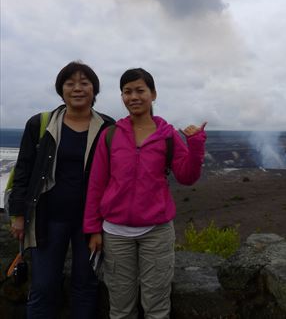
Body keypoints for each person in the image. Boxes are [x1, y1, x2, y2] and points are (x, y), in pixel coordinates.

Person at [83, 68, 206, 319]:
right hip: (115, 233)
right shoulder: (111, 135)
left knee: (157, 306)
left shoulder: (168, 136)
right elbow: (96, 184)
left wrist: (195, 146)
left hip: (156, 232)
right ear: (122, 97)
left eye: (140, 90)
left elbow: (187, 176)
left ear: (153, 94)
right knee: (120, 307)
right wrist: (93, 229)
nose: (133, 97)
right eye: (127, 92)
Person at [9, 61, 115, 319]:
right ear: (61, 89)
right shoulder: (40, 124)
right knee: (43, 287)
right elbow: (24, 170)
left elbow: (116, 176)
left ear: (94, 89)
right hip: (47, 219)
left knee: (86, 286)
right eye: (70, 83)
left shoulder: (107, 128)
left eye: (84, 83)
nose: (77, 88)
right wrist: (18, 215)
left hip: (90, 223)